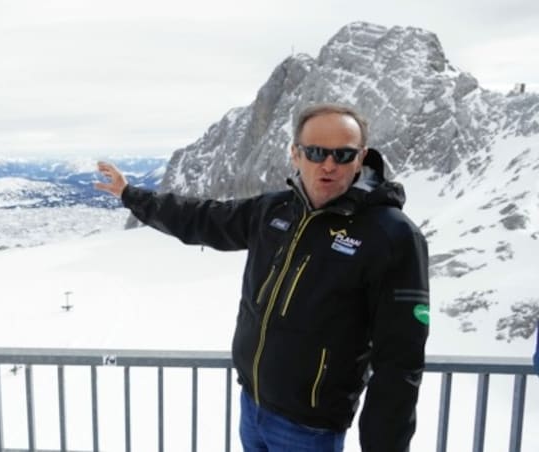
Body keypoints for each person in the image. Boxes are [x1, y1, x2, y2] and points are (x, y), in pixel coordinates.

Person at [95, 103, 430, 452]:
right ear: (295, 154)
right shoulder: (275, 210)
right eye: (316, 152)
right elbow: (204, 218)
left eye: (343, 155)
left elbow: (400, 361)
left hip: (310, 429)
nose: (328, 164)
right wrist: (129, 194)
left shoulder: (392, 236)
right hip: (252, 406)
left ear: (360, 158)